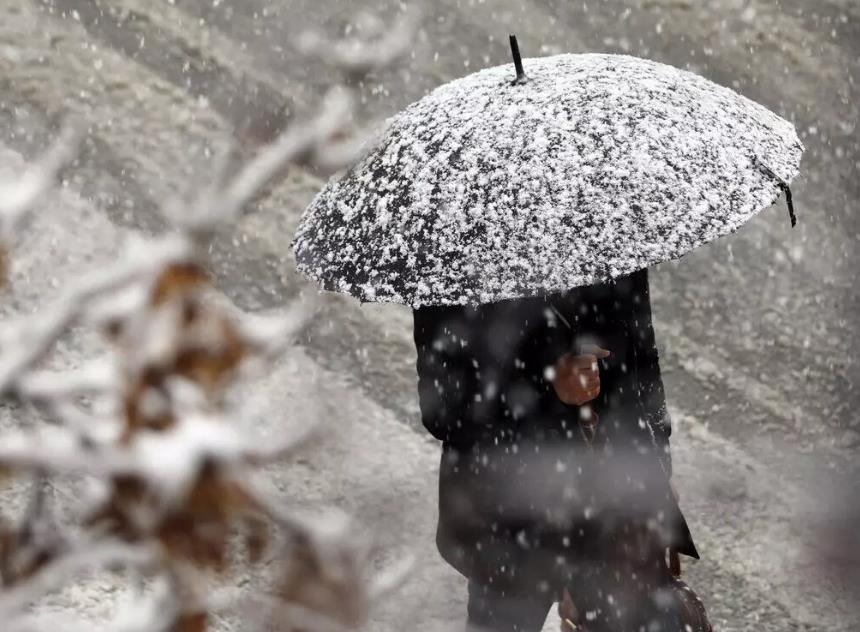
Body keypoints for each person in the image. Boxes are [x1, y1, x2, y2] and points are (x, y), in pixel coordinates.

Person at [412, 269, 709, 632]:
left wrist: (658, 461)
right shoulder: (458, 254)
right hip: (512, 520)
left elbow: (641, 353)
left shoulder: (606, 223)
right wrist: (547, 387)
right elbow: (443, 408)